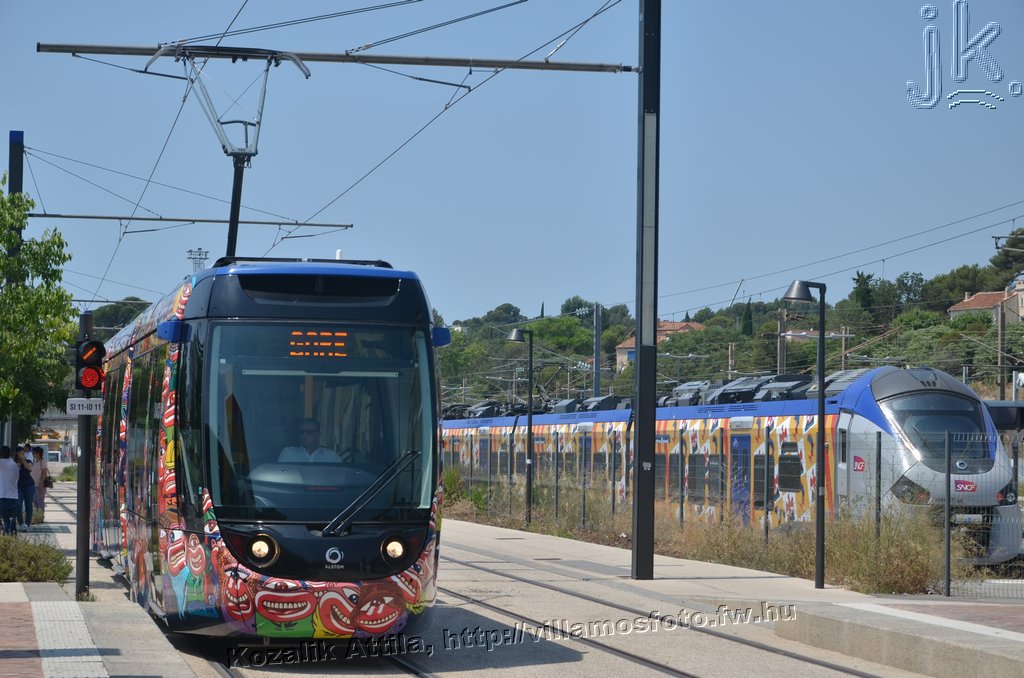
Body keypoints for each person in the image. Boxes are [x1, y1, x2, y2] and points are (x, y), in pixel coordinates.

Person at [15, 446, 36, 531]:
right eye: (21, 453)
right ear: (17, 453)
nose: (23, 455)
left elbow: (29, 468)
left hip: (29, 486)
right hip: (18, 487)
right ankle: (21, 524)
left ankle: (28, 524)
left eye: (24, 453)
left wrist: (23, 460)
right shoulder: (13, 462)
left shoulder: (27, 461)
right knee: (18, 505)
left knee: (29, 505)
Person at [0, 446, 18, 535]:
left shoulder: (1, 463)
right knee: (12, 517)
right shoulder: (14, 464)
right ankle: (13, 533)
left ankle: (6, 533)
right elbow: (17, 479)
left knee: (5, 518)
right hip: (13, 496)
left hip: (2, 495)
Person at [30, 445, 49, 521]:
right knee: (35, 502)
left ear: (38, 453)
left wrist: (41, 482)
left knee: (40, 501)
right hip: (34, 485)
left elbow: (44, 472)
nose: (33, 454)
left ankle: (41, 517)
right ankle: (37, 517)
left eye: (34, 453)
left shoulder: (42, 462)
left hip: (40, 485)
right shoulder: (35, 461)